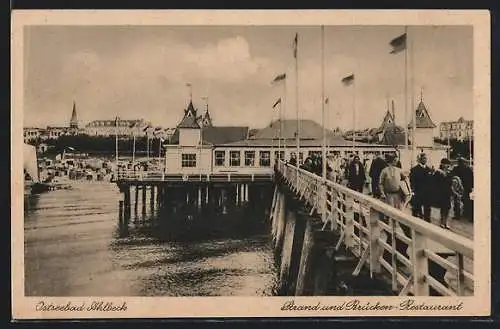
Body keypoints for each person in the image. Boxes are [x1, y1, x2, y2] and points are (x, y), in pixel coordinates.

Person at [409, 152, 433, 221]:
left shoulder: (429, 169)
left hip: (427, 193)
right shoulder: (414, 169)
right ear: (420, 159)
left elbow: (431, 181)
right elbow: (412, 181)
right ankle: (416, 222)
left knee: (427, 209)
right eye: (424, 158)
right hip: (418, 192)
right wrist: (413, 190)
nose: (425, 160)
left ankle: (427, 222)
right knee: (416, 208)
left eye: (426, 158)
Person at [432, 158, 453, 229]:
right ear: (442, 164)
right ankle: (442, 222)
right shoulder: (438, 172)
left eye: (447, 164)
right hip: (441, 192)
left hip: (447, 192)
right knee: (443, 208)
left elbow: (450, 182)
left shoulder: (449, 172)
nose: (446, 165)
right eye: (445, 164)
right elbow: (435, 182)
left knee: (447, 208)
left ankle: (446, 222)